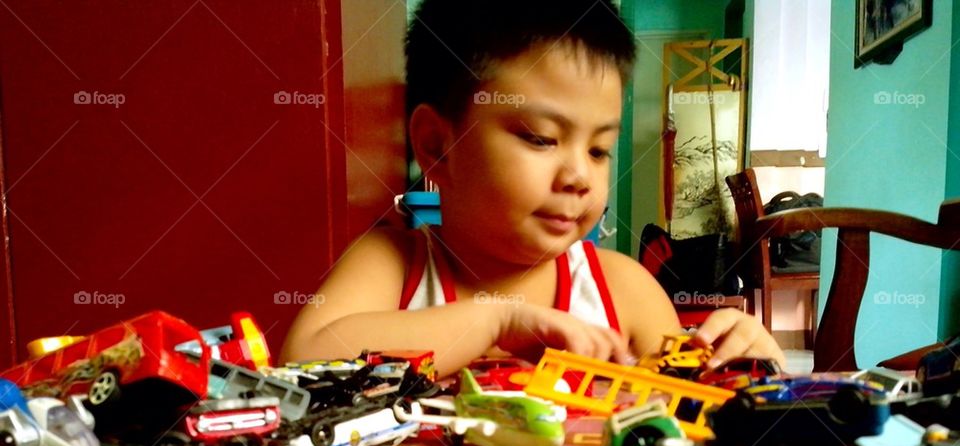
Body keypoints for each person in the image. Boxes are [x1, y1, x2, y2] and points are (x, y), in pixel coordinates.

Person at [281, 0, 785, 377]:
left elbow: (695, 399)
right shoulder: (394, 264)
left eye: (598, 150)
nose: (579, 177)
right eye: (541, 138)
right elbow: (300, 361)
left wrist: (750, 365)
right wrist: (494, 321)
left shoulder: (619, 289)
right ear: (437, 146)